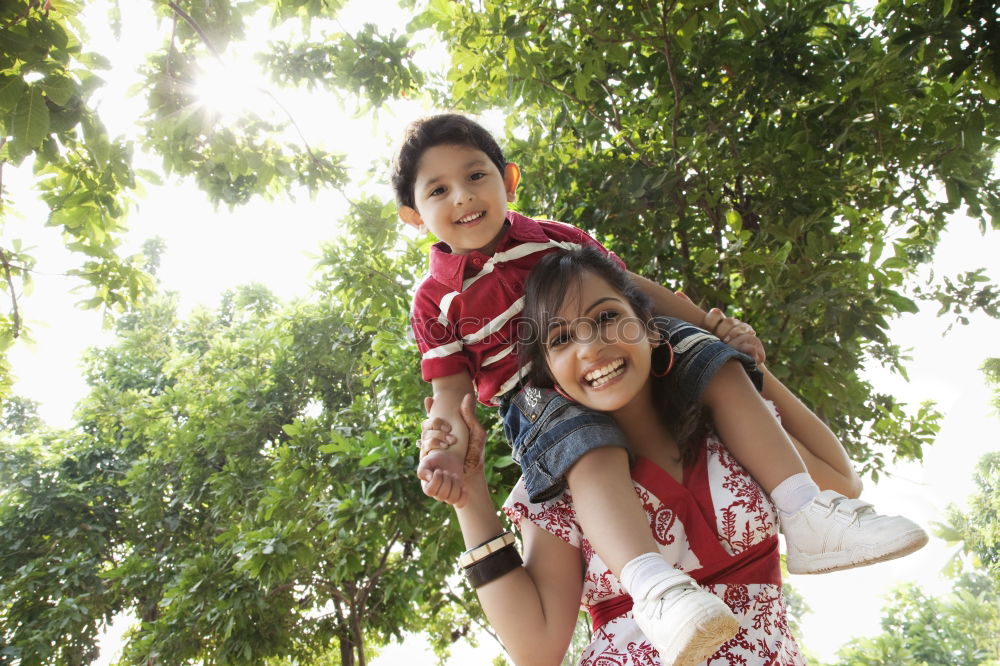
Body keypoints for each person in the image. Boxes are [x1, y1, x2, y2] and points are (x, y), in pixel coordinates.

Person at [394, 114, 927, 661]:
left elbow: (640, 290)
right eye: (439, 190)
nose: (462, 197)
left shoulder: (733, 431)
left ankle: (808, 517)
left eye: (605, 319)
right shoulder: (555, 484)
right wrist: (457, 465)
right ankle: (654, 588)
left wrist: (722, 340)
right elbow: (448, 392)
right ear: (415, 215)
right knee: (586, 447)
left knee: (716, 362)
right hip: (532, 400)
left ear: (508, 180)